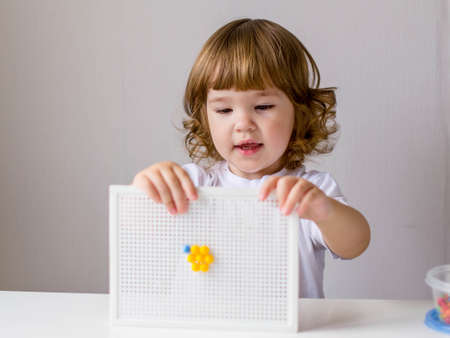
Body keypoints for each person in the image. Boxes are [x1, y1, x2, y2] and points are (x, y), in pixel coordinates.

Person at [132, 18, 370, 298]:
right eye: (223, 110)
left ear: (299, 112)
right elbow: (136, 227)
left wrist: (325, 211)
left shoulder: (307, 192)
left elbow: (355, 244)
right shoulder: (193, 186)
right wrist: (144, 186)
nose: (243, 123)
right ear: (205, 118)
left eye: (263, 106)